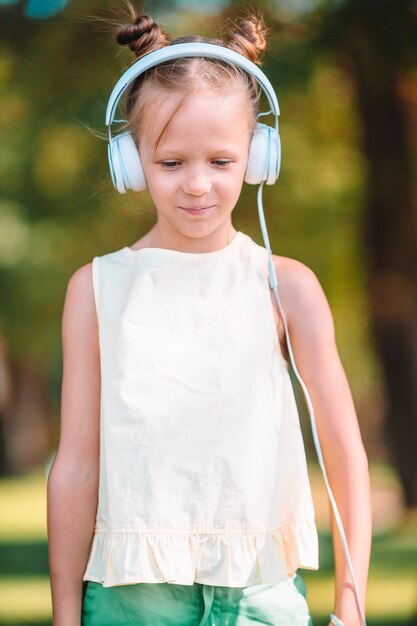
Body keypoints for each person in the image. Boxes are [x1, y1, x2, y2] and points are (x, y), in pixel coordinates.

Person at [46, 3, 372, 626]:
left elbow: (345, 453)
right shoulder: (96, 288)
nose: (197, 184)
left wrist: (350, 607)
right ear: (131, 160)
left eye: (220, 161)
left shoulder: (288, 287)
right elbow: (77, 464)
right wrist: (65, 616)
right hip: (131, 599)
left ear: (257, 156)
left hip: (262, 598)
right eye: (171, 163)